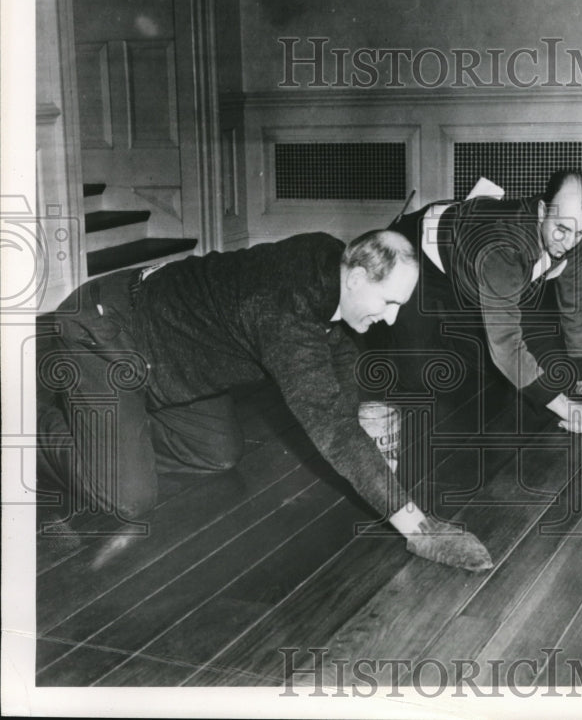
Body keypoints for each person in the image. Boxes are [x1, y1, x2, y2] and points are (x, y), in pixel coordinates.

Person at [36, 230, 493, 572]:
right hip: (106, 330)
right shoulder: (283, 308)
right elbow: (330, 426)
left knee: (216, 455)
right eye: (388, 302)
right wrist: (418, 527)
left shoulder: (328, 263)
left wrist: (361, 424)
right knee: (128, 500)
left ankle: (110, 427)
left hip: (168, 356)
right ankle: (36, 420)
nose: (390, 318)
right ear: (356, 277)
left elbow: (338, 362)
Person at [386, 171, 582, 433]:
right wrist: (570, 409)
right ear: (543, 211)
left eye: (580, 232)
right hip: (415, 251)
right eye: (562, 230)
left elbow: (575, 302)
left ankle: (455, 329)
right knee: (418, 379)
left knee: (495, 372)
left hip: (466, 267)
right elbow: (507, 342)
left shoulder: (573, 227)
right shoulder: (504, 249)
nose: (569, 243)